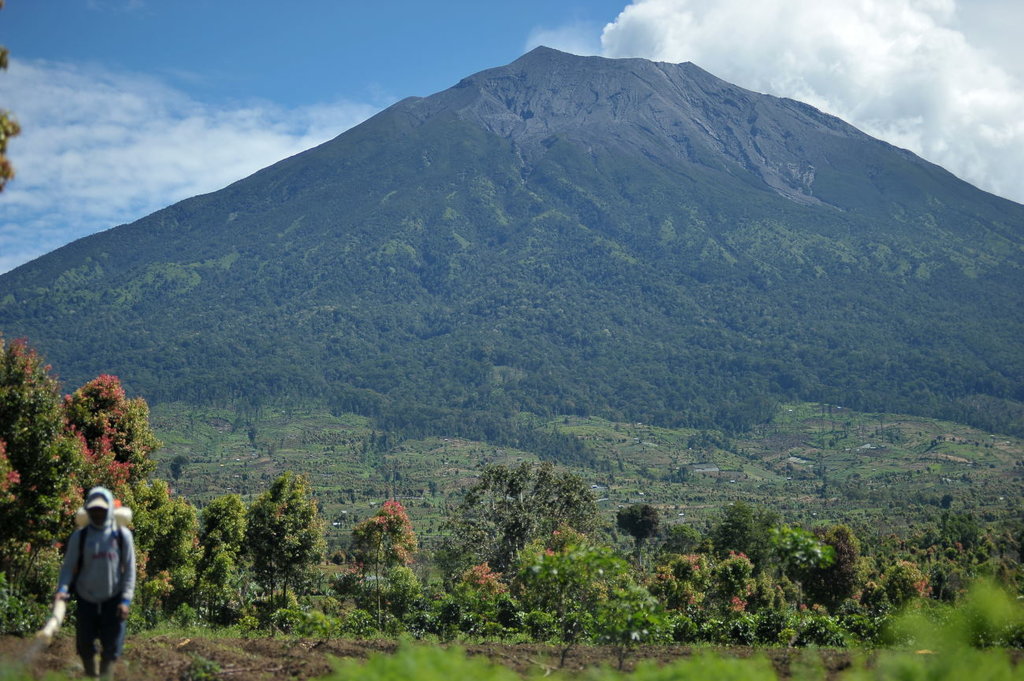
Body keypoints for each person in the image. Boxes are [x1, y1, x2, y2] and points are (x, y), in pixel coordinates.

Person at [55, 487, 136, 680]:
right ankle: (92, 676)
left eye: (101, 510)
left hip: (113, 599)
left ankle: (106, 676)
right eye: (94, 510)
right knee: (84, 646)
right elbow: (68, 568)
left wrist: (125, 600)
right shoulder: (80, 537)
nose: (98, 514)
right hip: (86, 599)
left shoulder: (121, 536)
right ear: (88, 511)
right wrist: (62, 589)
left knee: (111, 648)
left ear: (109, 509)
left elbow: (130, 570)